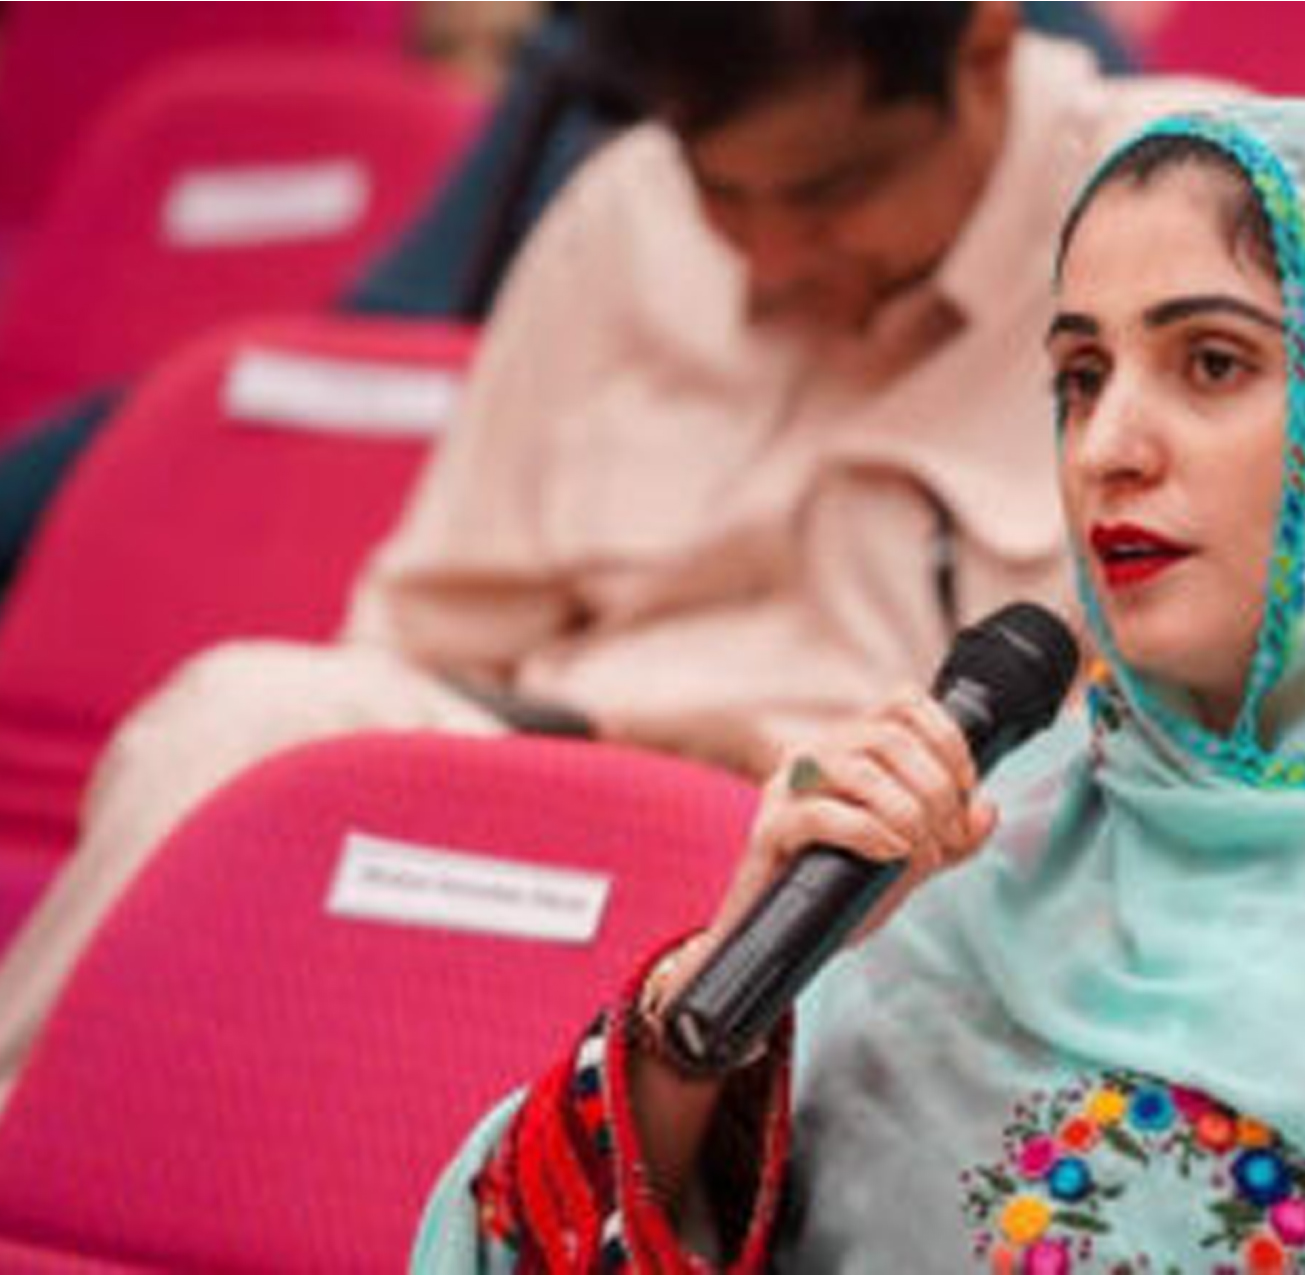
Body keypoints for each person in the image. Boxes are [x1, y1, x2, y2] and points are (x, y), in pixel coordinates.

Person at [413, 100, 1305, 1273]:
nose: (1109, 445)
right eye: (1080, 377)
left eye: (1210, 364)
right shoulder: (983, 848)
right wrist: (699, 1025)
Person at [0, 3, 1226, 1108]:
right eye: (720, 193)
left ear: (982, 47)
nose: (769, 252)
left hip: (888, 863)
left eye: (828, 194)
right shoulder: (625, 210)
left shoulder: (1185, 214)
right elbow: (421, 639)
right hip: (563, 772)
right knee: (246, 710)